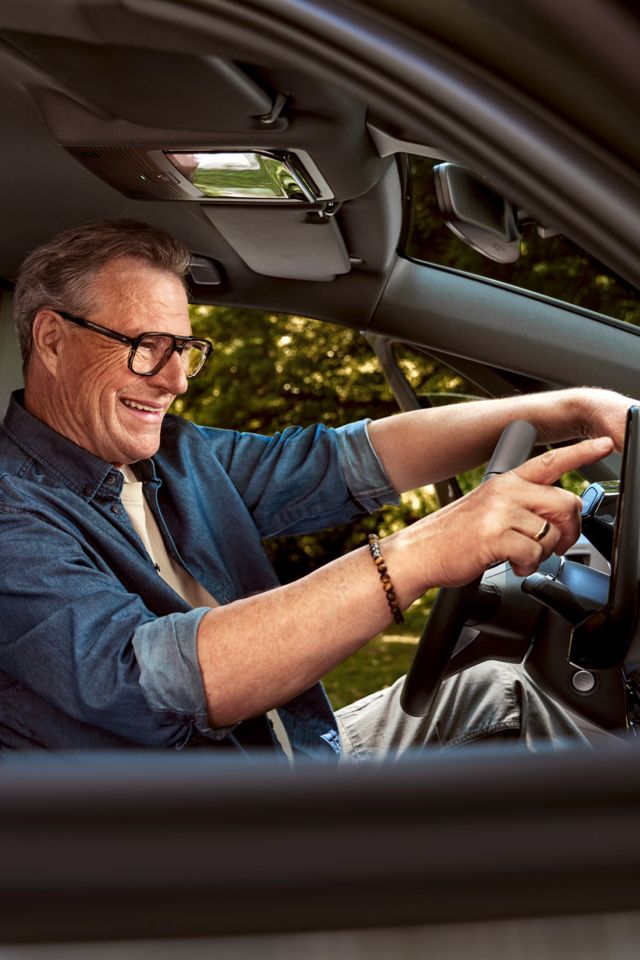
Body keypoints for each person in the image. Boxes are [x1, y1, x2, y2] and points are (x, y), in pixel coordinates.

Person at [0, 218, 630, 757]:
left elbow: (350, 459)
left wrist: (573, 409)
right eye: (146, 347)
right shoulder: (12, 510)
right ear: (53, 340)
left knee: (501, 692)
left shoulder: (177, 456)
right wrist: (423, 550)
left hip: (297, 754)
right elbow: (153, 682)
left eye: (184, 349)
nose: (174, 381)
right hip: (189, 842)